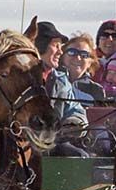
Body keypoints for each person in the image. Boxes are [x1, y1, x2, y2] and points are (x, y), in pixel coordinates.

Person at [35, 21, 88, 157]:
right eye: (55, 45)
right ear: (40, 46)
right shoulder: (21, 78)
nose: (60, 51)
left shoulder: (61, 80)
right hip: (25, 143)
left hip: (53, 142)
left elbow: (76, 109)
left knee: (79, 157)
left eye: (61, 46)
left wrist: (74, 122)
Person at [60, 33, 105, 104]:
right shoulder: (53, 82)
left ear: (90, 62)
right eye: (72, 52)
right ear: (62, 56)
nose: (78, 58)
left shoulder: (96, 90)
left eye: (84, 54)